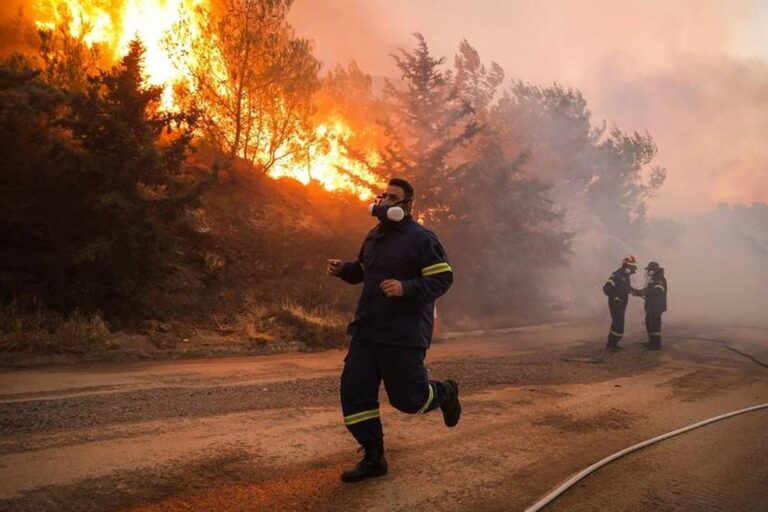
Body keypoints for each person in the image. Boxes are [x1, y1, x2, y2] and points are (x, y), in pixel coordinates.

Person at [327, 177, 460, 483]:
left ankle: (446, 393)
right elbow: (363, 271)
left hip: (403, 334)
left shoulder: (422, 239)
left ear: (408, 205)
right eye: (383, 196)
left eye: (392, 198)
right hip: (368, 330)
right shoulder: (375, 235)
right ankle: (374, 456)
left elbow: (443, 279)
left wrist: (407, 287)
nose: (385, 202)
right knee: (354, 392)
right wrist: (344, 270)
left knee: (409, 400)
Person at [602, 255, 638, 351]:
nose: (633, 269)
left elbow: (625, 287)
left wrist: (635, 291)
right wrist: (615, 298)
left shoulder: (625, 276)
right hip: (616, 303)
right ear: (626, 266)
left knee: (619, 322)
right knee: (618, 322)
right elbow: (606, 288)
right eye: (632, 266)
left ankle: (613, 343)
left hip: (622, 302)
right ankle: (611, 344)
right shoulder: (617, 275)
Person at [632, 261, 668, 350]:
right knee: (649, 324)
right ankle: (651, 342)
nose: (648, 272)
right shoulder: (654, 278)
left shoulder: (659, 278)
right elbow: (649, 289)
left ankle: (656, 345)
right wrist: (639, 292)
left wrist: (643, 292)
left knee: (655, 325)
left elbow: (657, 290)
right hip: (651, 306)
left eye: (649, 270)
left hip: (656, 306)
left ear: (653, 270)